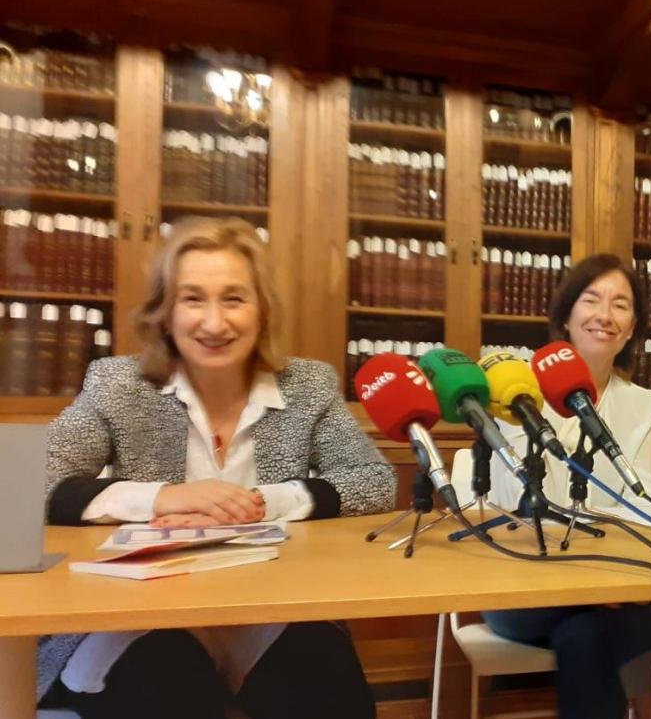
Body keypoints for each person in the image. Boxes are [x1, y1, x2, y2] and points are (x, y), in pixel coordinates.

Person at [37, 217, 397, 719]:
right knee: (171, 692)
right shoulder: (118, 384)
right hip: (137, 615)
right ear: (164, 314)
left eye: (233, 299)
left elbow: (373, 481)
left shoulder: (308, 386)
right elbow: (27, 484)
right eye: (192, 299)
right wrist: (160, 498)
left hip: (268, 608)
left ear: (262, 311)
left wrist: (258, 505)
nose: (214, 323)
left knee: (332, 691)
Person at [480, 253, 651, 719]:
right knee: (614, 625)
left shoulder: (642, 404)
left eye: (620, 305)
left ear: (631, 329)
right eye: (591, 300)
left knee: (585, 634)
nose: (604, 315)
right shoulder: (517, 394)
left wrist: (600, 576)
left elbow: (647, 498)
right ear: (566, 316)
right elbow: (513, 504)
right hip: (525, 586)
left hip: (614, 584)